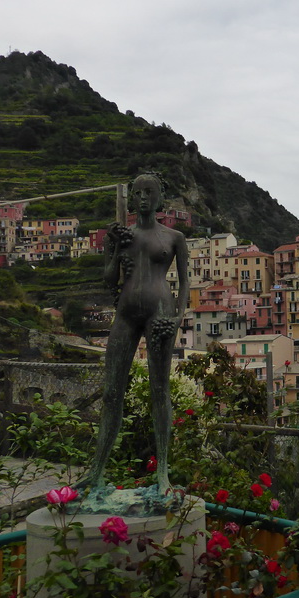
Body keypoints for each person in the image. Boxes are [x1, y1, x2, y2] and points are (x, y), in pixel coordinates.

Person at [77, 173, 189, 494]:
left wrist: (178, 319)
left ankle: (163, 473)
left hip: (161, 313)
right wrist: (113, 250)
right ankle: (96, 472)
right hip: (125, 314)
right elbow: (108, 280)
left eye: (148, 192)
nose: (142, 198)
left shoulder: (174, 238)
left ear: (159, 198)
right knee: (112, 392)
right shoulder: (120, 235)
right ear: (131, 197)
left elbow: (184, 285)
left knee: (160, 390)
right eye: (137, 192)